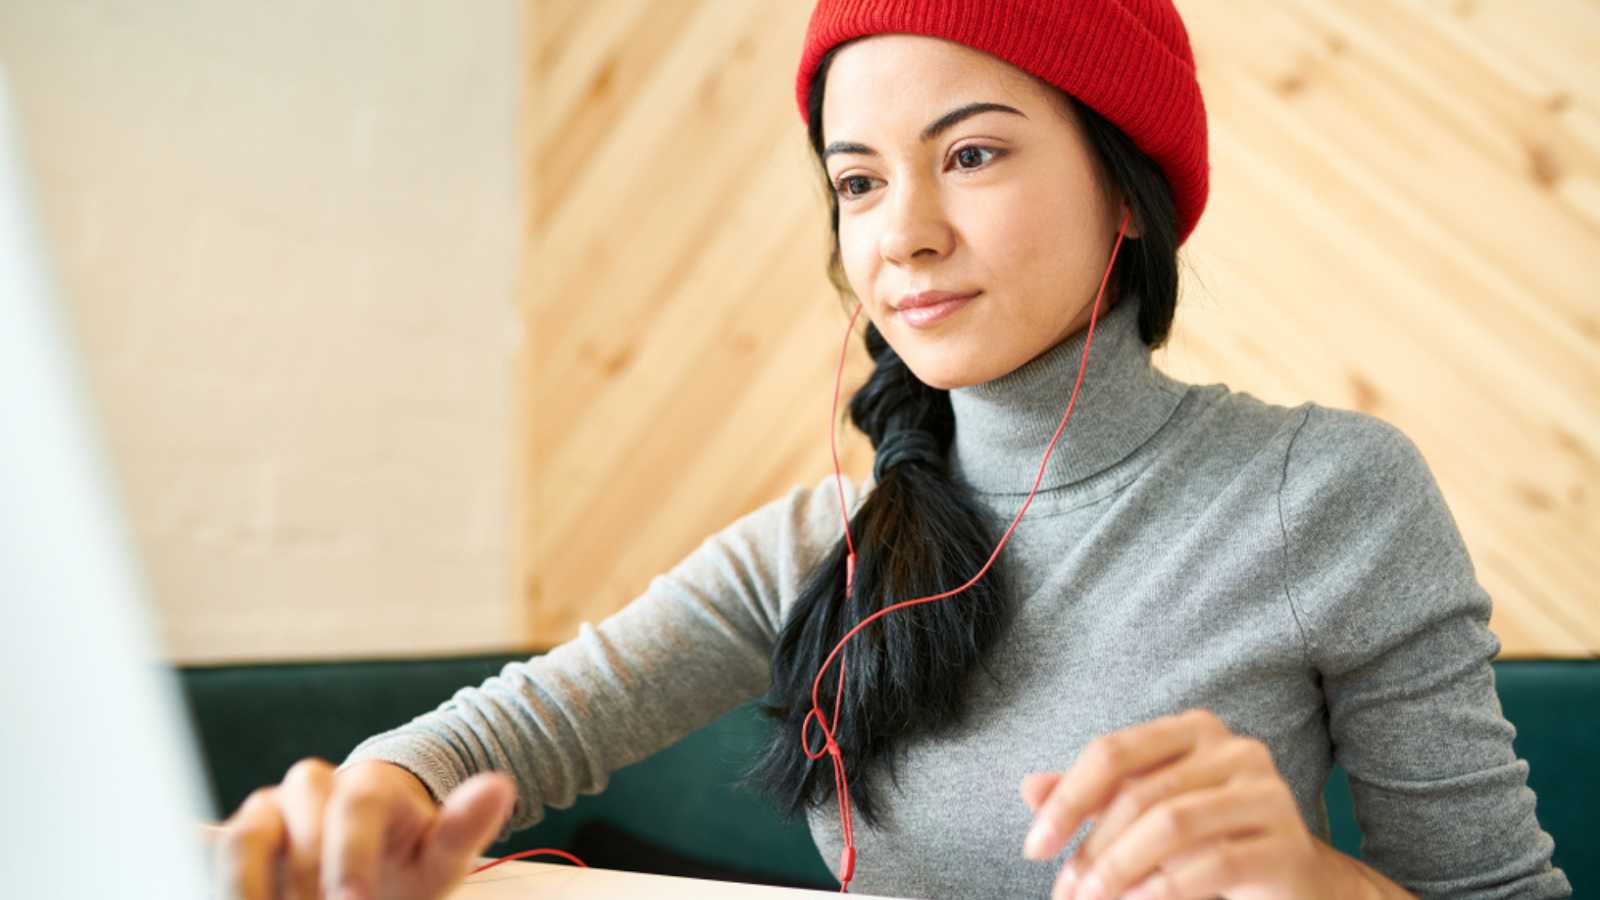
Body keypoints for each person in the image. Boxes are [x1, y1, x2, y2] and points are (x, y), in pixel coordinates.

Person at [212, 1, 1574, 898]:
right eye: (858, 180)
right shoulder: (821, 546)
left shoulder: (1328, 493)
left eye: (971, 156)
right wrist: (364, 814)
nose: (901, 234)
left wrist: (1312, 880)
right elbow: (495, 736)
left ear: (1126, 190)